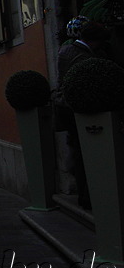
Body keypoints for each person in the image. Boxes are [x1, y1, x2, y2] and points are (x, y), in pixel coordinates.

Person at [56, 18, 111, 210]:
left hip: (68, 109)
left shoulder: (66, 51)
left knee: (78, 152)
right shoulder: (82, 57)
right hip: (80, 111)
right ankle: (88, 196)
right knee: (85, 153)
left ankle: (85, 194)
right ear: (95, 41)